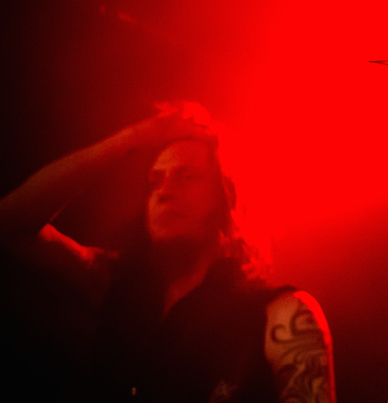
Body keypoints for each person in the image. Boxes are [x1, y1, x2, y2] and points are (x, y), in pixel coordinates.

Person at [0, 103, 336, 403]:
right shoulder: (117, 287)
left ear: (227, 198)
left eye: (186, 177)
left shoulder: (280, 314)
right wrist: (128, 140)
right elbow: (9, 224)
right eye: (154, 181)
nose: (164, 192)